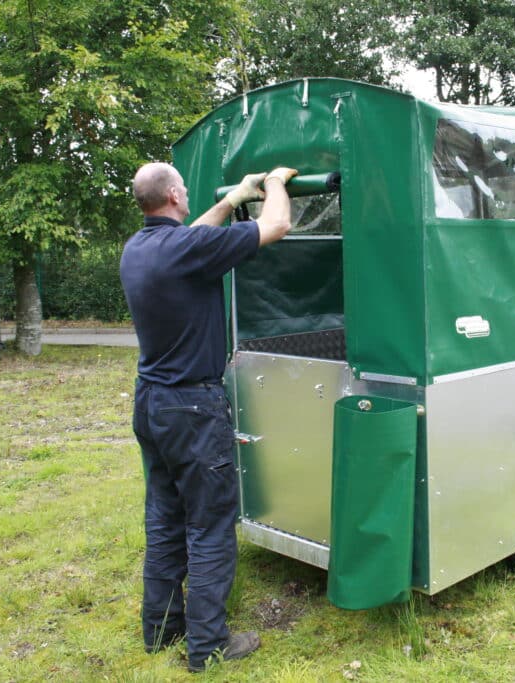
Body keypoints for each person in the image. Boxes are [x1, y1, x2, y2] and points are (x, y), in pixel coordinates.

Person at [120, 161, 297, 672]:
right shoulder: (186, 250)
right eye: (185, 190)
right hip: (192, 409)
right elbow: (277, 226)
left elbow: (195, 234)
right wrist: (274, 186)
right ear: (175, 195)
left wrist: (229, 199)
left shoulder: (139, 250)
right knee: (210, 526)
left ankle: (160, 631)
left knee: (164, 520)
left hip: (151, 404)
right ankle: (208, 645)